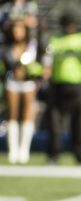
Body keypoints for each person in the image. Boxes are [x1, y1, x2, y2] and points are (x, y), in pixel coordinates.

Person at [42, 12, 81, 165]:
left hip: (77, 83)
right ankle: (54, 154)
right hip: (58, 84)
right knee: (54, 122)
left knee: (79, 122)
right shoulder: (55, 40)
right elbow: (47, 58)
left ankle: (80, 154)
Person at [2, 18, 40, 164]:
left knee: (27, 115)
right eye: (15, 29)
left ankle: (24, 150)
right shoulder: (7, 47)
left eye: (20, 29)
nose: (17, 32)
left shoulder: (32, 46)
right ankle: (13, 150)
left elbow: (38, 64)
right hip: (12, 83)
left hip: (28, 83)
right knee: (12, 114)